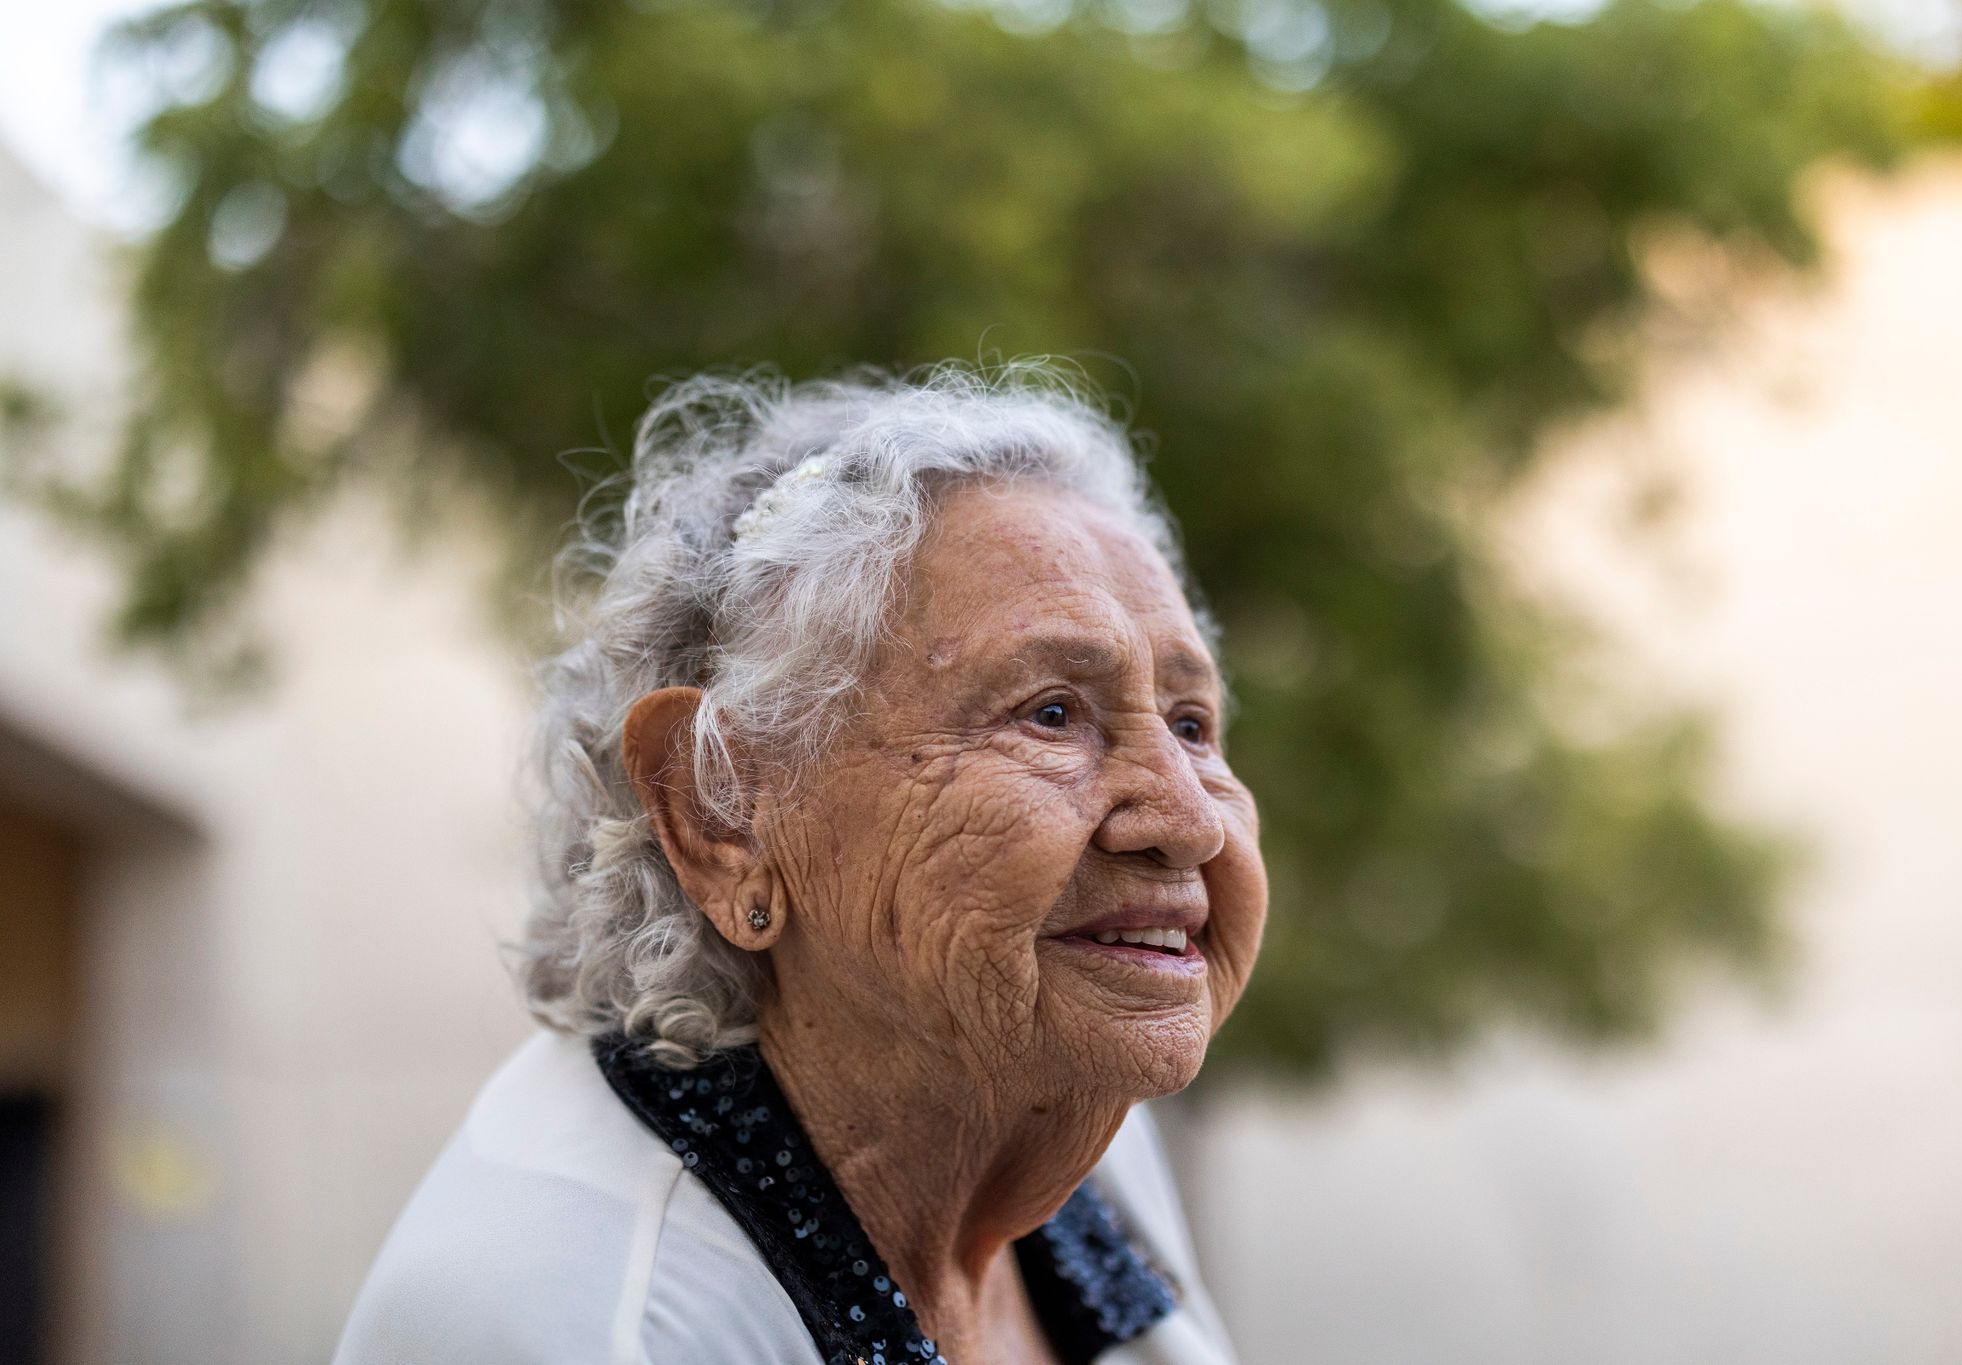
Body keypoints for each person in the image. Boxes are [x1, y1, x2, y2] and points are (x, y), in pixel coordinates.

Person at [334, 364, 1268, 1364]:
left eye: (1188, 723)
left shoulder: (1059, 1111)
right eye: (1050, 713)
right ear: (719, 814)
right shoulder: (571, 1323)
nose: (1187, 821)